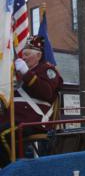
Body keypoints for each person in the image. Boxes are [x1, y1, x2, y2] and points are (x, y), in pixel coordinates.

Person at [0, 35, 63, 167]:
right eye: (23, 54)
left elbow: (46, 92)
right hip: (13, 120)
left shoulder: (46, 70)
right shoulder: (19, 73)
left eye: (27, 54)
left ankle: (9, 169)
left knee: (2, 134)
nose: (24, 57)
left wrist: (26, 72)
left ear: (38, 56)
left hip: (33, 122)